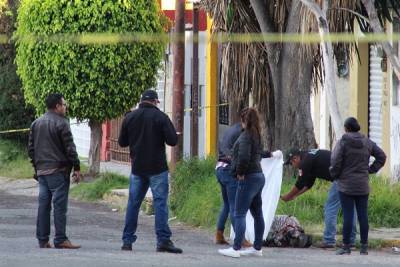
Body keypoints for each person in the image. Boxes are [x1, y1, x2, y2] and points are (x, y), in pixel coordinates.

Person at [119, 89, 182, 254]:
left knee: (133, 204)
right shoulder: (161, 117)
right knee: (160, 204)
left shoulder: (130, 117)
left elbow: (122, 142)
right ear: (155, 101)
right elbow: (172, 141)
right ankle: (163, 241)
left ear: (142, 101)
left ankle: (127, 241)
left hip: (138, 168)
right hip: (157, 168)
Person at [28, 93, 81, 249]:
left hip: (42, 172)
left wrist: (36, 166)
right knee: (59, 206)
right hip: (59, 170)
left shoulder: (36, 123)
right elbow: (70, 148)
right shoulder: (62, 123)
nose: (65, 107)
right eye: (64, 105)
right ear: (57, 106)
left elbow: (31, 149)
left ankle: (43, 239)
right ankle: (60, 239)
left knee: (43, 205)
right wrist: (76, 167)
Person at [331, 117, 386, 255]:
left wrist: (335, 174)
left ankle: (346, 246)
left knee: (348, 215)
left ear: (346, 128)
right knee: (363, 216)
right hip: (362, 185)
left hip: (346, 185)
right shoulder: (367, 142)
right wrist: (370, 170)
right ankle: (364, 247)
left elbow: (335, 160)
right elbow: (382, 156)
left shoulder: (343, 141)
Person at [280, 148, 356, 248]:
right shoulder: (309, 156)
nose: (292, 166)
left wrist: (287, 197)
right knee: (350, 208)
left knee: (330, 207)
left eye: (291, 164)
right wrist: (294, 196)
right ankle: (350, 242)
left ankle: (329, 241)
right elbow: (308, 184)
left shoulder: (304, 163)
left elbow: (300, 184)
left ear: (295, 159)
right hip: (352, 174)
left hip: (342, 177)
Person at [218, 108, 266, 258]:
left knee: (239, 213)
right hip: (259, 176)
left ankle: (236, 248)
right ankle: (257, 248)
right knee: (257, 213)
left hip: (248, 177)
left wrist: (240, 172)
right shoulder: (257, 135)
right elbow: (256, 155)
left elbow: (243, 157)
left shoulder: (245, 136)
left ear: (244, 120)